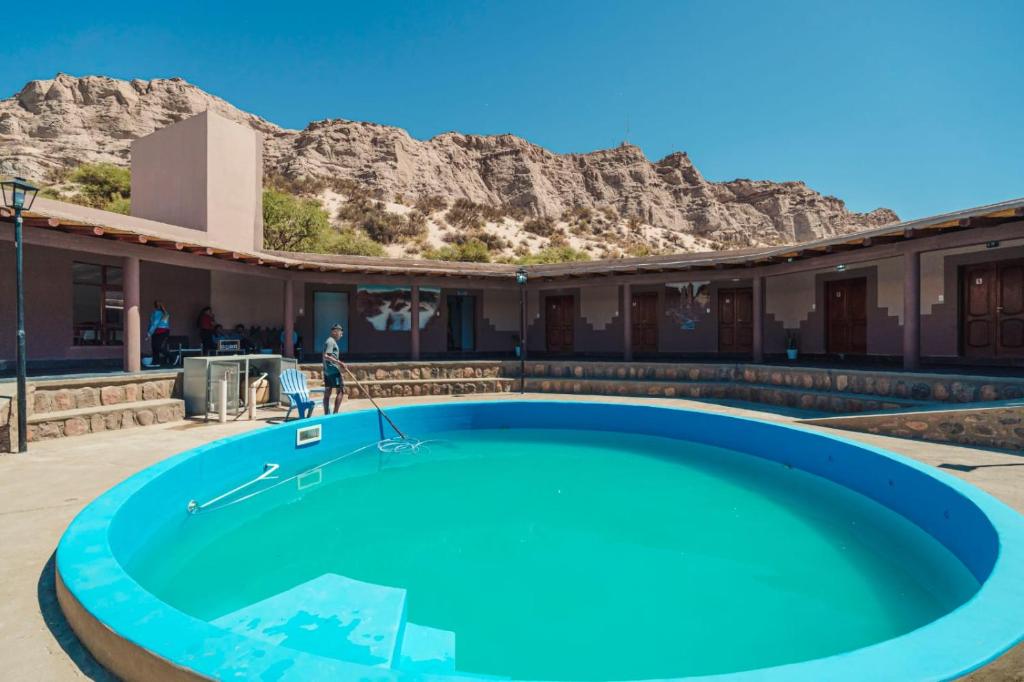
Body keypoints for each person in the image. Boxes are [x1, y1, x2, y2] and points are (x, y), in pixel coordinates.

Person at [322, 324, 346, 415]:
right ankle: (335, 414)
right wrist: (340, 363)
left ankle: (326, 415)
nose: (341, 335)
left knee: (328, 391)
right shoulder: (331, 341)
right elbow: (326, 356)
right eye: (341, 333)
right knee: (341, 390)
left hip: (327, 371)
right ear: (335, 332)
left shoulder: (329, 341)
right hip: (333, 371)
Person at [146, 301, 171, 367]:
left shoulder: (157, 313)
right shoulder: (166, 313)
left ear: (155, 306)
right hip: (163, 331)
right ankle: (155, 362)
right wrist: (149, 332)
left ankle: (172, 356)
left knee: (156, 347)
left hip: (159, 331)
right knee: (155, 347)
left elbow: (154, 323)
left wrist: (149, 333)